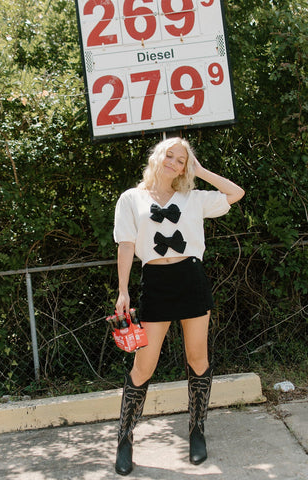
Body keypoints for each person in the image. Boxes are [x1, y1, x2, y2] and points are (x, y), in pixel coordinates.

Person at [113, 137, 245, 476]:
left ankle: (197, 431)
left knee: (197, 358)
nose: (173, 162)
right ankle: (124, 439)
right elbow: (126, 244)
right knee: (144, 366)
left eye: (181, 160)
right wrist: (123, 290)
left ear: (186, 167)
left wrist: (201, 171)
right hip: (155, 285)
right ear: (157, 157)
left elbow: (235, 193)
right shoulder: (131, 198)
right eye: (169, 155)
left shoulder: (194, 198)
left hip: (191, 279)